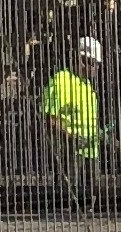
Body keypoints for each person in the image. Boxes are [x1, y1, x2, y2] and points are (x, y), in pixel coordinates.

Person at [39, 37, 105, 176]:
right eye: (93, 64)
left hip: (91, 153)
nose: (96, 69)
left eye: (98, 64)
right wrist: (72, 138)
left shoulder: (88, 86)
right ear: (81, 60)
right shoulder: (61, 80)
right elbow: (50, 118)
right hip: (70, 154)